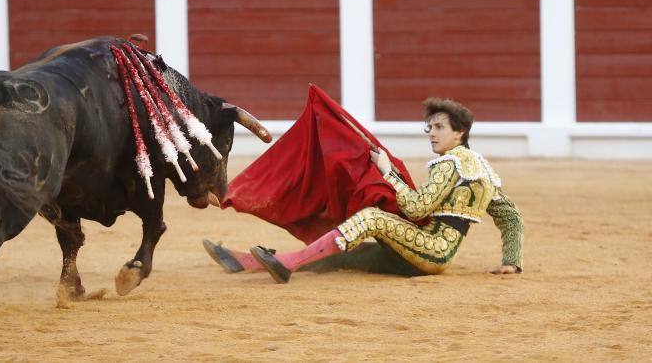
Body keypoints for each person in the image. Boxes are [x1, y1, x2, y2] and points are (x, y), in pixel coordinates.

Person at [205, 95, 523, 282]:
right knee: (347, 256)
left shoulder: (449, 164)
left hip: (429, 251)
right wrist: (512, 260)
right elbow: (511, 218)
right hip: (431, 254)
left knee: (370, 218)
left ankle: (286, 266)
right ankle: (246, 262)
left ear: (460, 133)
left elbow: (416, 208)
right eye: (430, 127)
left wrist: (388, 173)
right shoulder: (483, 170)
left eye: (440, 128)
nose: (432, 134)